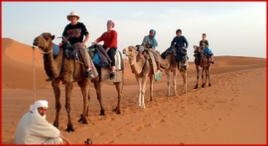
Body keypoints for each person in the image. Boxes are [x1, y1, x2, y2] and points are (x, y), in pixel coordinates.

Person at [46, 11, 94, 82]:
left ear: (76, 18)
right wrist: (64, 39)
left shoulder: (81, 25)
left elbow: (87, 35)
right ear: (70, 18)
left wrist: (84, 42)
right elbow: (64, 36)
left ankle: (88, 70)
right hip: (68, 44)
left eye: (74, 17)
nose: (73, 18)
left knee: (84, 51)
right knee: (58, 52)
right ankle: (53, 73)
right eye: (72, 17)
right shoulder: (67, 27)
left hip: (78, 44)